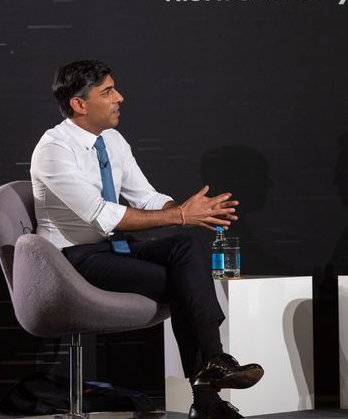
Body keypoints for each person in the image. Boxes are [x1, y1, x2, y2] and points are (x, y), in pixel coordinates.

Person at [30, 60, 263, 419]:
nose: (119, 97)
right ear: (79, 104)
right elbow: (103, 215)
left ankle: (215, 362)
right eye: (107, 91)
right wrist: (181, 215)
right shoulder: (54, 149)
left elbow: (146, 197)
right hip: (71, 259)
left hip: (113, 248)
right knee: (181, 282)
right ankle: (207, 398)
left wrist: (185, 208)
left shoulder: (112, 140)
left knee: (186, 246)